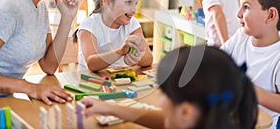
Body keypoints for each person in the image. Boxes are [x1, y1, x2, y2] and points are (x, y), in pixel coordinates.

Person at [80, 45, 258, 129]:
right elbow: (165, 120)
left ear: (186, 112)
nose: (160, 99)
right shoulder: (217, 120)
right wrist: (110, 108)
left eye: (163, 93)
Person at [221, 0, 280, 128]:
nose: (238, 14)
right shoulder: (241, 37)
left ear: (271, 15)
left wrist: (250, 90)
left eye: (246, 7)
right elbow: (217, 62)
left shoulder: (277, 56)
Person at [75, 0, 153, 72]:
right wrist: (120, 51)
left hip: (119, 81)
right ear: (107, 2)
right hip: (90, 82)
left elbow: (149, 60)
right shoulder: (89, 24)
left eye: (135, 3)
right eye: (128, 2)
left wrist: (138, 55)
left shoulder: (132, 24)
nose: (134, 10)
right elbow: (91, 63)